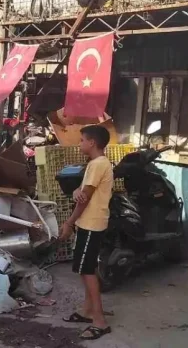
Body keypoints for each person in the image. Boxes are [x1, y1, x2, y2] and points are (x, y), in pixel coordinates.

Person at [59, 124, 114, 341]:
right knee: (85, 268)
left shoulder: (98, 164)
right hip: (90, 222)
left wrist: (69, 223)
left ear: (92, 142)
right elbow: (81, 193)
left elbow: (85, 198)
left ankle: (99, 321)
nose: (80, 143)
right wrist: (76, 191)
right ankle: (87, 310)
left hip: (90, 223)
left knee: (87, 271)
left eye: (82, 140)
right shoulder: (96, 164)